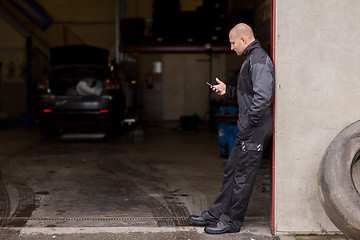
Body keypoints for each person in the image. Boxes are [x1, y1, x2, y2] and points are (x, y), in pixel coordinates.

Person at [188, 23, 274, 234]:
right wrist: (228, 91)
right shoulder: (251, 60)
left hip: (254, 128)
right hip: (249, 127)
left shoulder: (258, 60)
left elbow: (263, 98)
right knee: (233, 172)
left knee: (242, 177)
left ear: (244, 40)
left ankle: (231, 222)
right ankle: (217, 214)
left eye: (233, 43)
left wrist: (250, 123)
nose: (231, 47)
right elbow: (250, 96)